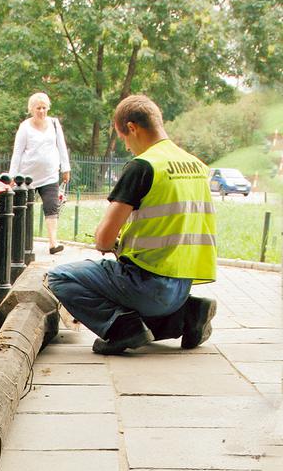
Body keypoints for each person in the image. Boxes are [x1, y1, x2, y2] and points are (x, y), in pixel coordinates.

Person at [46, 94, 217, 355]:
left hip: (148, 285)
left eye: (124, 138)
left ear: (132, 128)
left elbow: (104, 239)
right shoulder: (197, 166)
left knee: (59, 277)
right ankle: (187, 313)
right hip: (182, 285)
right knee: (132, 300)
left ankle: (121, 328)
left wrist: (111, 243)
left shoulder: (144, 166)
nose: (126, 146)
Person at [10, 92, 71, 254]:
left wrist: (66, 168)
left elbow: (62, 146)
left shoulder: (54, 124)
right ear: (31, 109)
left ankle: (53, 243)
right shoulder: (25, 127)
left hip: (50, 175)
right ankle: (20, 243)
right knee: (23, 209)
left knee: (52, 207)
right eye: (38, 108)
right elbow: (17, 153)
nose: (42, 111)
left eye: (44, 108)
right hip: (27, 177)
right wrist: (12, 176)